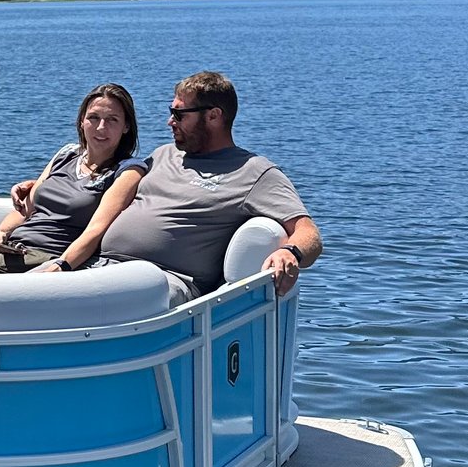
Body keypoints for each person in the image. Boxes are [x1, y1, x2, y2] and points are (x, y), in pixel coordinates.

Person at [97, 70, 322, 303]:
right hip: (103, 266)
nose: (170, 121)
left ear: (213, 116)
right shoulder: (163, 154)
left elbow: (309, 233)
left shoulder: (254, 172)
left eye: (179, 114)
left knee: (78, 298)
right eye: (171, 112)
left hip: (162, 281)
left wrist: (289, 252)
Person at [0, 84, 147, 274]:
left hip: (50, 253)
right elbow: (27, 209)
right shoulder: (66, 154)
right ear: (81, 121)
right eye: (93, 118)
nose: (101, 127)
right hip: (18, 245)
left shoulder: (127, 171)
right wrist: (2, 232)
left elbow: (96, 230)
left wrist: (62, 265)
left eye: (112, 120)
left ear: (126, 126)